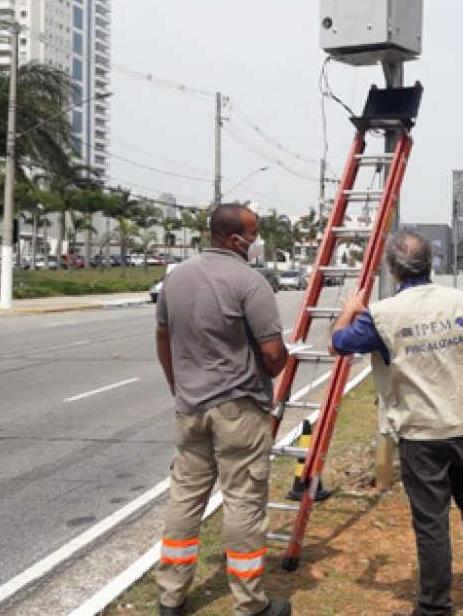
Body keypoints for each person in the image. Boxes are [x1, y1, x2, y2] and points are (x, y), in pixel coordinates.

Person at [330, 229, 463, 616]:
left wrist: (351, 308)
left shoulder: (384, 315)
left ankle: (434, 606)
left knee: (431, 522)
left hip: (423, 429)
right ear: (431, 264)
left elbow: (338, 344)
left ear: (393, 269)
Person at [154, 203, 292, 616]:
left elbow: (163, 338)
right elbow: (272, 355)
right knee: (243, 501)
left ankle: (170, 596)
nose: (256, 240)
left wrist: (178, 386)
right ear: (235, 239)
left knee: (185, 498)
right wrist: (280, 359)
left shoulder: (175, 278)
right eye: (254, 233)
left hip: (190, 407)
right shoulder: (249, 282)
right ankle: (249, 604)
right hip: (238, 408)